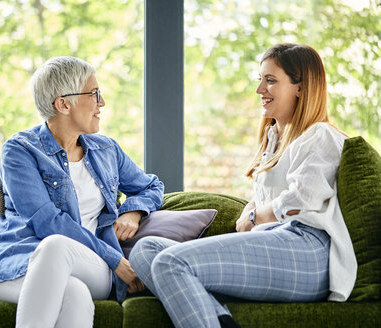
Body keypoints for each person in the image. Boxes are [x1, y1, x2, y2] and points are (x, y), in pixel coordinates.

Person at [129, 43, 357, 328]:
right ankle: (221, 321)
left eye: (270, 80)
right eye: (260, 79)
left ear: (301, 87)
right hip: (275, 244)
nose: (259, 89)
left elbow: (301, 199)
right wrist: (253, 208)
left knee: (169, 262)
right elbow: (266, 197)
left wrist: (253, 216)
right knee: (145, 251)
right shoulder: (274, 138)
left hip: (307, 252)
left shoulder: (320, 135)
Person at [0, 56, 163, 328]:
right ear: (63, 103)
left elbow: (152, 186)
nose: (101, 103)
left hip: (91, 263)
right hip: (16, 266)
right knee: (74, 293)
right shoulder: (20, 150)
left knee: (58, 248)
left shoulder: (106, 150)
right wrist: (117, 260)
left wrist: (133, 212)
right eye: (94, 94)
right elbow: (47, 222)